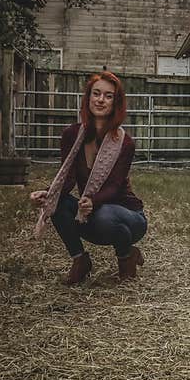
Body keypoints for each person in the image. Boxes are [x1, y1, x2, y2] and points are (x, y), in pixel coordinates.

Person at [30, 71, 147, 284]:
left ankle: (126, 257)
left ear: (115, 102)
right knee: (57, 203)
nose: (101, 100)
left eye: (108, 96)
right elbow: (68, 178)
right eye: (96, 93)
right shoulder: (71, 135)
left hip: (130, 216)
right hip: (92, 213)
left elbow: (114, 185)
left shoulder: (125, 142)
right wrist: (48, 193)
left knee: (105, 214)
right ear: (88, 98)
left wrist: (93, 201)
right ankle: (80, 261)